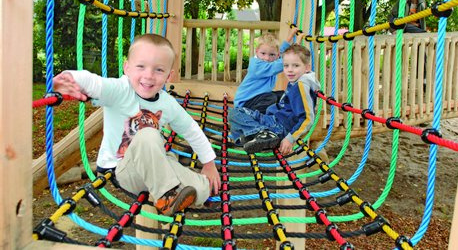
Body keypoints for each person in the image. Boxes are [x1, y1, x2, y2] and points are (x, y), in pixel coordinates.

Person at [52, 34, 221, 216]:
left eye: (159, 70)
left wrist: (209, 163)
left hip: (157, 165)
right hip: (122, 168)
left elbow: (190, 129)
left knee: (202, 186)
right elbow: (94, 82)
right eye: (141, 66)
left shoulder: (167, 103)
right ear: (127, 68)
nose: (148, 76)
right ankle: (167, 196)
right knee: (148, 134)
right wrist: (69, 78)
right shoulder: (120, 91)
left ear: (169, 76)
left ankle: (190, 194)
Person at [229, 43, 320, 155]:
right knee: (236, 112)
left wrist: (290, 139)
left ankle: (261, 134)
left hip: (279, 127)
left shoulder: (301, 85)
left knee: (236, 114)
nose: (290, 70)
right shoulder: (295, 81)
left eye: (296, 66)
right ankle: (257, 135)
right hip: (273, 120)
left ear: (307, 68)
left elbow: (307, 118)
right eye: (286, 66)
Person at [233, 27, 300, 114]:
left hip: (258, 98)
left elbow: (282, 50)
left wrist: (291, 34)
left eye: (271, 54)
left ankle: (282, 116)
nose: (267, 58)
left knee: (283, 95)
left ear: (277, 55)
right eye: (263, 53)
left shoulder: (272, 60)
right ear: (257, 52)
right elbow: (282, 63)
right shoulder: (257, 66)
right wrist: (297, 46)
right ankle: (252, 116)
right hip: (245, 103)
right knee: (271, 98)